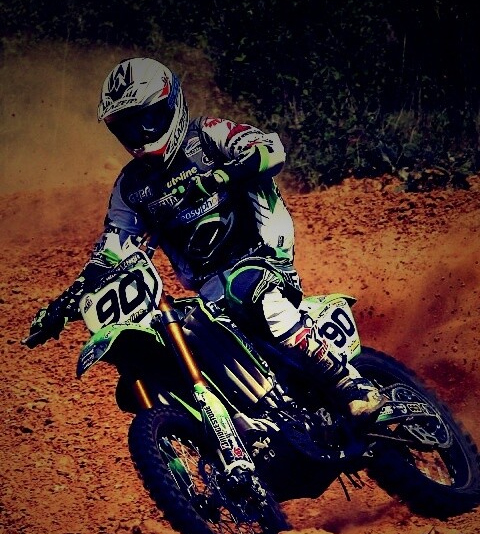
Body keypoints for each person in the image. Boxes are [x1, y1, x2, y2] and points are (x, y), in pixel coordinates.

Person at [30, 57, 384, 418]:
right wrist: (66, 303)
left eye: (147, 120)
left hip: (262, 249)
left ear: (170, 105)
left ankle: (348, 383)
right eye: (127, 128)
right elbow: (112, 248)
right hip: (209, 285)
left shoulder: (207, 135)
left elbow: (269, 149)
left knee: (247, 289)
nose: (140, 134)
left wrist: (221, 176)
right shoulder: (130, 187)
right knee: (186, 333)